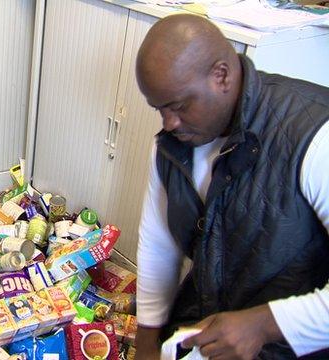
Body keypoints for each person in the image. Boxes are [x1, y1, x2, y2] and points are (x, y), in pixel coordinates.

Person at [134, 14, 329, 359]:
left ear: (220, 76)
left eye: (178, 106)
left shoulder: (315, 138)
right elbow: (159, 243)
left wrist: (264, 324)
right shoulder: (171, 144)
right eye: (158, 109)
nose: (168, 122)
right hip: (212, 327)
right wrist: (147, 342)